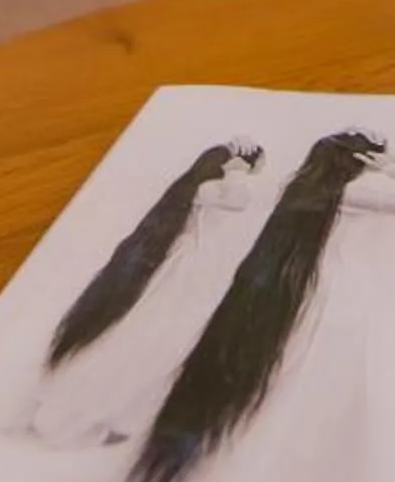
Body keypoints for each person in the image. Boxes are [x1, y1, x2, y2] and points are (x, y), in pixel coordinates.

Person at [127, 129, 395, 482]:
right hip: (328, 308)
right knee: (278, 404)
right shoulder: (354, 195)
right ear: (361, 161)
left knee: (261, 399)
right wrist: (394, 168)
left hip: (300, 302)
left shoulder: (301, 187)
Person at [30, 141, 265, 449]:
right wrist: (237, 170)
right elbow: (238, 201)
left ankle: (112, 414)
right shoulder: (214, 187)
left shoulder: (206, 188)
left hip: (199, 271)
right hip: (187, 272)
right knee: (145, 339)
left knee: (156, 344)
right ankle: (82, 411)